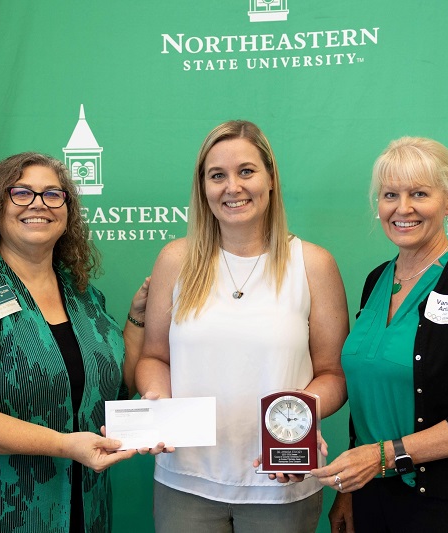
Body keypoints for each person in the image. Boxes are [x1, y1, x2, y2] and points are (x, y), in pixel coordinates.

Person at [0, 152, 157, 533]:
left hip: (83, 511)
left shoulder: (86, 298)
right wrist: (64, 445)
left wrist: (138, 318)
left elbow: (118, 391)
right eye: (22, 193)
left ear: (67, 212)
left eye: (52, 194)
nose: (39, 203)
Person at [136, 120, 349, 532]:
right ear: (203, 188)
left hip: (282, 485)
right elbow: (153, 357)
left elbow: (333, 375)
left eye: (246, 171)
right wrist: (158, 399)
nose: (232, 187)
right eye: (217, 175)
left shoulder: (313, 264)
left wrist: (297, 422)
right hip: (185, 482)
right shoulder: (175, 261)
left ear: (270, 178)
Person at [311, 137, 448, 532]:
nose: (402, 208)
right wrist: (351, 490)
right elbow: (371, 398)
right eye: (390, 194)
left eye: (419, 193)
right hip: (374, 498)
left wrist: (384, 457)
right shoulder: (377, 280)